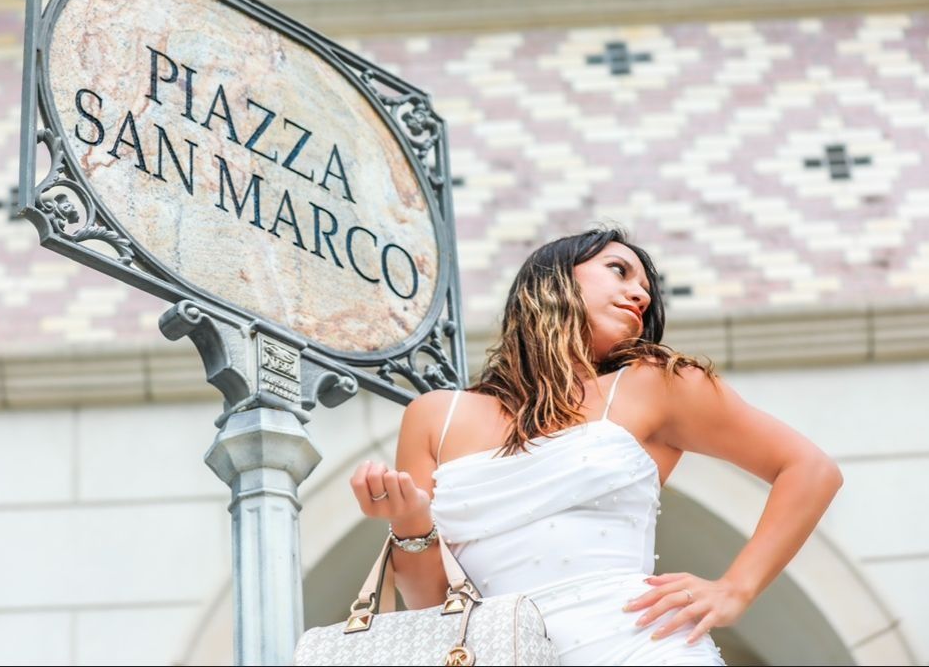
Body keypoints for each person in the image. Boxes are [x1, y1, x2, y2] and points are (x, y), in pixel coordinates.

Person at [349, 227, 844, 666]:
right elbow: (431, 605)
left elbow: (810, 468)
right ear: (553, 281)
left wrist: (736, 589)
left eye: (646, 290)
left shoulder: (657, 385)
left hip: (640, 646)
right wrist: (410, 522)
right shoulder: (436, 414)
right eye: (619, 270)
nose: (640, 295)